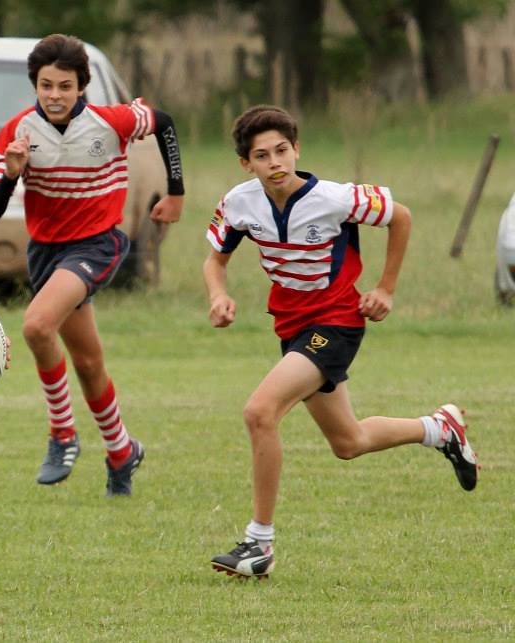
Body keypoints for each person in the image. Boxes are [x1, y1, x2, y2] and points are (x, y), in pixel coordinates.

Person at [203, 105, 480, 579]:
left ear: (297, 150)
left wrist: (386, 288)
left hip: (336, 323)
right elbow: (216, 259)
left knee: (259, 411)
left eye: (282, 150)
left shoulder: (334, 198)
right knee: (348, 442)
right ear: (246, 164)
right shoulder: (239, 202)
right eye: (262, 155)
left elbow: (402, 216)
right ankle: (439, 429)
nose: (276, 162)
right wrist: (219, 294)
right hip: (291, 328)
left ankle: (259, 544)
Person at [0, 34, 185, 496]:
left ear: (81, 87)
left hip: (97, 244)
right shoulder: (18, 132)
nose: (55, 95)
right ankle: (121, 450)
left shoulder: (109, 121)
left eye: (65, 86)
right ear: (35, 84)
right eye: (46, 85)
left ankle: (62, 433)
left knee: (35, 327)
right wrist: (12, 174)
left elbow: (165, 123)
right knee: (89, 363)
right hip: (47, 252)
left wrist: (176, 193)